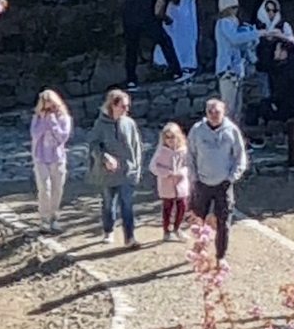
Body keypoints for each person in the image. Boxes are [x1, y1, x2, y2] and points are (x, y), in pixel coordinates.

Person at [189, 97, 248, 263]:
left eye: (217, 112)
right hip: (202, 183)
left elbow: (240, 157)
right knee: (198, 220)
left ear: (224, 113)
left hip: (224, 184)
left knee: (224, 222)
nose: (214, 115)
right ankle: (200, 250)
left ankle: (221, 256)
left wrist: (232, 177)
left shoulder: (232, 131)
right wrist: (194, 178)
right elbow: (190, 155)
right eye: (210, 112)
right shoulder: (197, 130)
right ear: (206, 113)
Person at [85, 87, 143, 249]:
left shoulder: (129, 123)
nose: (126, 109)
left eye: (127, 106)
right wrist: (104, 157)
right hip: (107, 174)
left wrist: (136, 169)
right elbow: (93, 145)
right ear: (113, 105)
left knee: (127, 204)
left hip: (126, 172)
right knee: (108, 204)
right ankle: (108, 230)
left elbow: (137, 147)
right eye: (123, 106)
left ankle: (130, 238)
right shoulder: (100, 124)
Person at [121, 0, 189, 90]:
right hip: (146, 18)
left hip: (129, 16)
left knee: (131, 48)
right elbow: (157, 11)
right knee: (165, 41)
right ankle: (177, 72)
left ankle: (131, 81)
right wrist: (166, 19)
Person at [214, 0, 261, 124]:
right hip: (228, 70)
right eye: (233, 7)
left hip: (237, 70)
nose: (236, 10)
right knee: (228, 108)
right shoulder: (224, 23)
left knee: (238, 108)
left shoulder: (233, 24)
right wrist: (257, 33)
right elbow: (235, 39)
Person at [29, 88, 72, 233]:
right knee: (44, 189)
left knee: (57, 189)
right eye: (46, 106)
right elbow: (34, 134)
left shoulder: (64, 118)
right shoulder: (37, 118)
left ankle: (54, 217)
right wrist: (43, 120)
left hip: (57, 157)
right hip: (41, 157)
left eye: (52, 106)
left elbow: (63, 137)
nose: (50, 109)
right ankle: (44, 220)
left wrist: (53, 122)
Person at [149, 121, 193, 241]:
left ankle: (177, 228)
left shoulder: (184, 150)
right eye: (167, 137)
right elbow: (153, 166)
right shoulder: (161, 151)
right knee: (167, 207)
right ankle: (166, 231)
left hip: (181, 183)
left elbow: (189, 165)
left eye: (173, 137)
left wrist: (182, 173)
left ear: (178, 136)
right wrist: (166, 173)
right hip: (166, 184)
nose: (170, 140)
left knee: (182, 206)